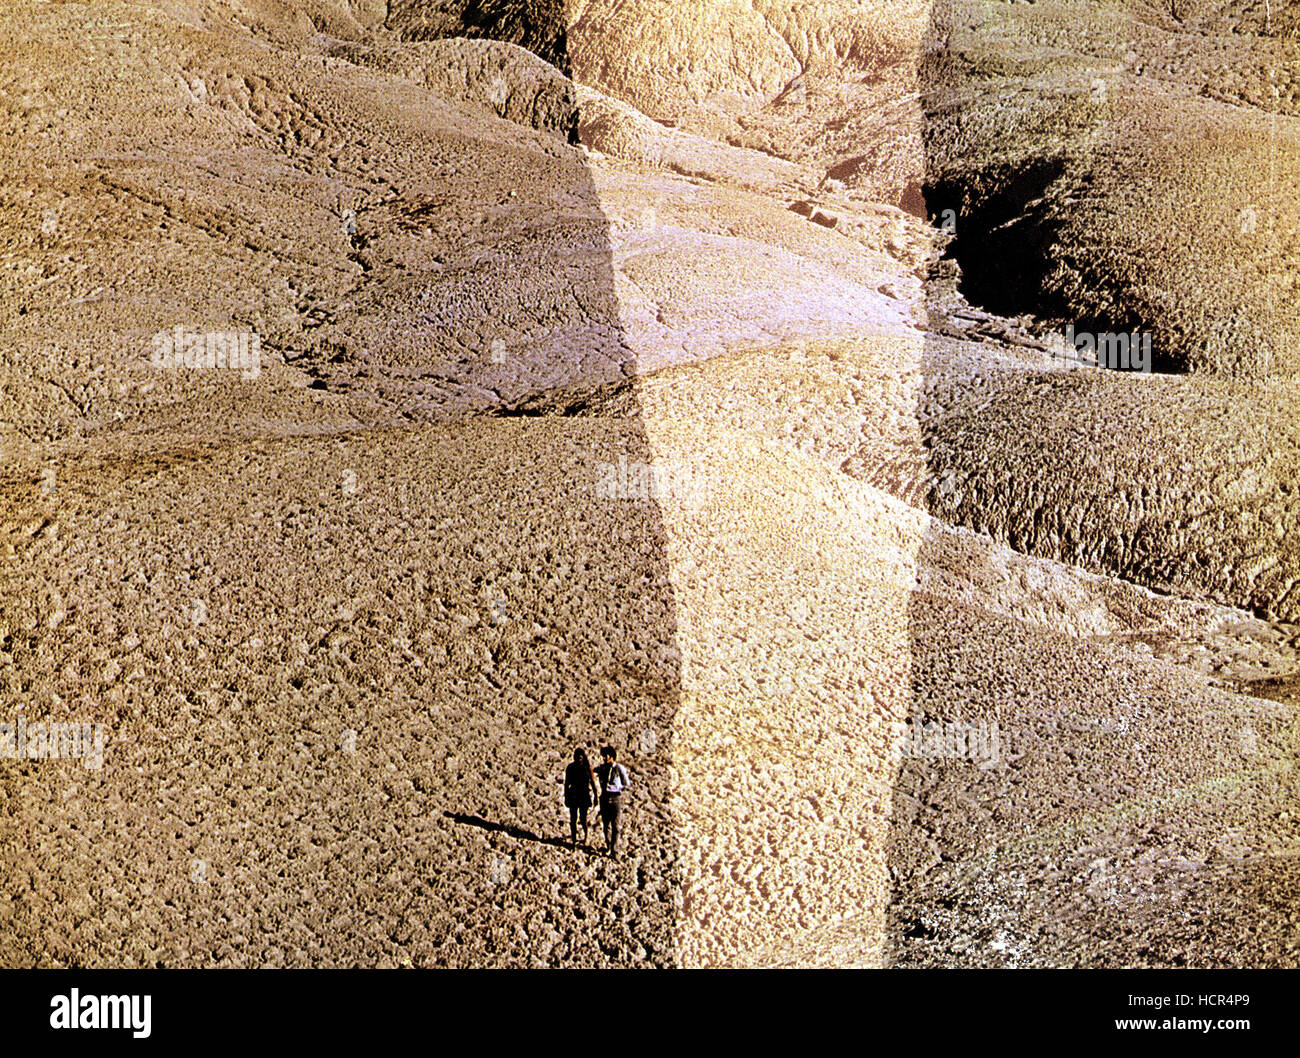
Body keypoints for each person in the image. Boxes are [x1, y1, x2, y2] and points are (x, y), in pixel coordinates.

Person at [594, 745, 631, 857]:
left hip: (616, 798)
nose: (604, 758)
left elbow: (626, 784)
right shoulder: (602, 768)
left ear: (611, 756)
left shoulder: (619, 768)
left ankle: (614, 850)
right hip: (605, 798)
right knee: (606, 825)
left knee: (616, 825)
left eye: (605, 756)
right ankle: (608, 846)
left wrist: (616, 788)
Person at [563, 748, 599, 847]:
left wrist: (596, 796)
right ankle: (574, 839)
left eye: (580, 757)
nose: (579, 759)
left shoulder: (588, 768)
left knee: (583, 818)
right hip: (574, 795)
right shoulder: (570, 767)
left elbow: (593, 782)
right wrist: (566, 796)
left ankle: (586, 837)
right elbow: (566, 784)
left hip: (584, 795)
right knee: (573, 819)